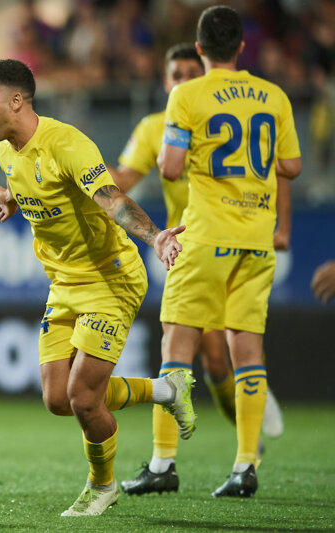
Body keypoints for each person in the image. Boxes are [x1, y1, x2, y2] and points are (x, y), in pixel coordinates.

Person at [0, 58, 196, 517]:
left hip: (110, 278)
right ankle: (167, 390)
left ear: (16, 100)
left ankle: (103, 486)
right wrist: (15, 198)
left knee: (82, 398)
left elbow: (111, 199)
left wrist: (155, 236)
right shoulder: (6, 149)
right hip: (63, 282)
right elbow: (39, 183)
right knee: (58, 399)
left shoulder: (68, 144)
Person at [112, 43, 286, 497]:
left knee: (194, 351)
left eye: (192, 69)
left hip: (202, 244)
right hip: (210, 243)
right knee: (222, 354)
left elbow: (171, 170)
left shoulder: (191, 109)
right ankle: (249, 448)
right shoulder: (155, 125)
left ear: (204, 62)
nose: (185, 79)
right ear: (165, 80)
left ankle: (177, 459)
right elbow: (123, 181)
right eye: (176, 73)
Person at [155, 5, 301, 498]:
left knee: (177, 345)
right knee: (248, 352)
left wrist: (173, 150)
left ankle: (163, 462)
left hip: (206, 236)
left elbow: (171, 168)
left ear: (198, 49)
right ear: (241, 47)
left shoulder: (187, 94)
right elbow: (292, 166)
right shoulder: (273, 95)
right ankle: (244, 466)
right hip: (257, 241)